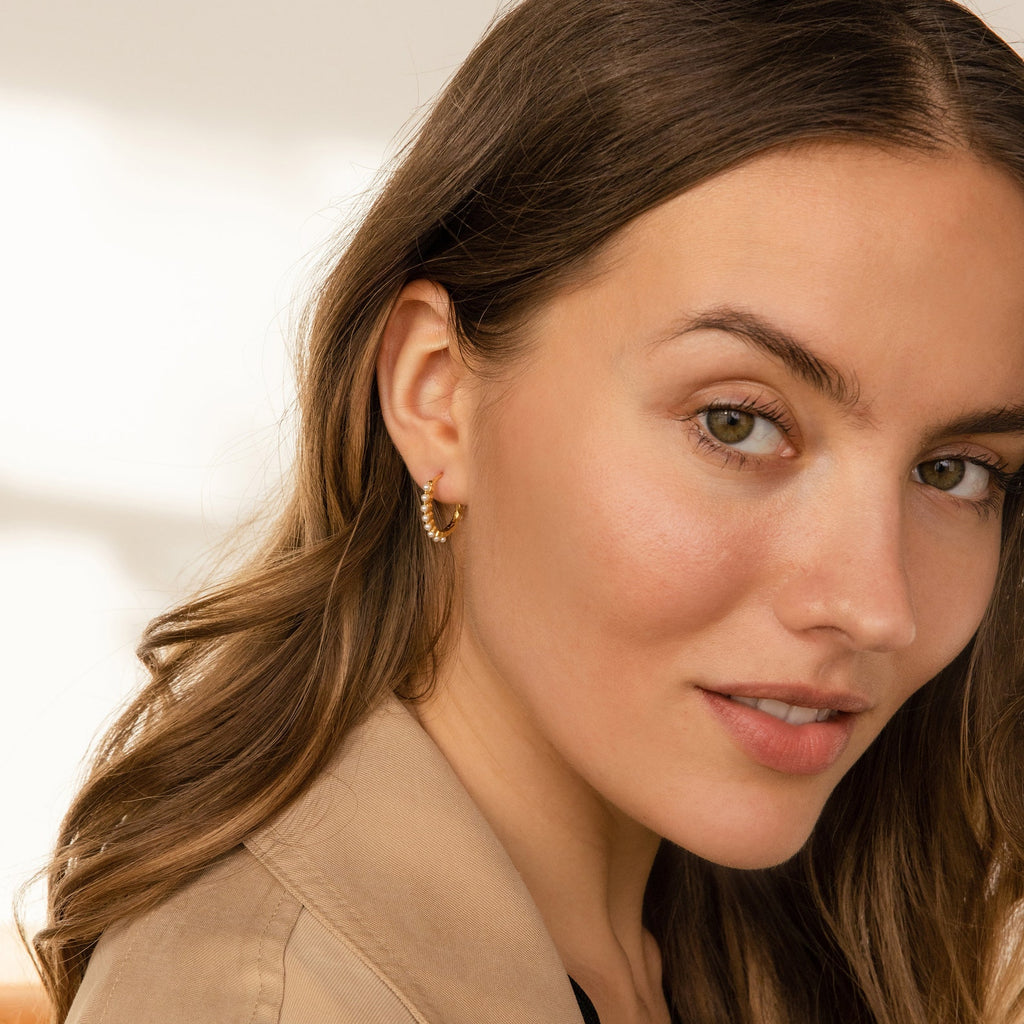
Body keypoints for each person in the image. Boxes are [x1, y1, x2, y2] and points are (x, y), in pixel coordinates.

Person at [26, 0, 1024, 1021]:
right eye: (735, 422)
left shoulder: (733, 939)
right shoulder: (269, 1000)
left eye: (955, 471)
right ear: (435, 394)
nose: (875, 604)